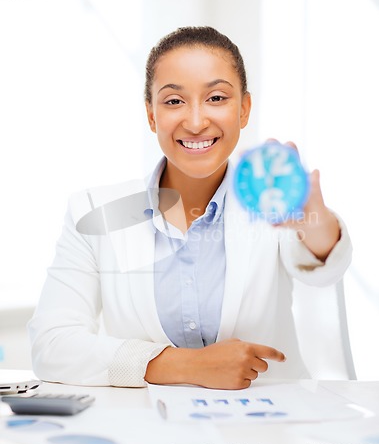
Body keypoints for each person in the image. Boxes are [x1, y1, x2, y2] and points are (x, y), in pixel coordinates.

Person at [28, 26, 352, 390]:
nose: (196, 122)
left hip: (269, 434)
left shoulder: (270, 204)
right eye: (173, 101)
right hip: (144, 434)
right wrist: (185, 366)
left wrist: (312, 218)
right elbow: (52, 344)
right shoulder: (95, 211)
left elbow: (323, 269)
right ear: (151, 115)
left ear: (244, 109)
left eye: (216, 98)